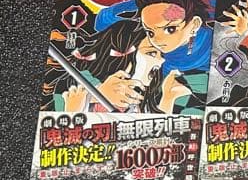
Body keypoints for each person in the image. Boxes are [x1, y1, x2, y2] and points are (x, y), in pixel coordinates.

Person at [94, 0, 215, 110]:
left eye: (170, 29)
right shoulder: (146, 42)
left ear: (195, 24)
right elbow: (103, 20)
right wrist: (134, 3)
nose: (157, 41)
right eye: (150, 32)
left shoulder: (211, 43)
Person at [46, 19, 191, 113]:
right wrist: (96, 95)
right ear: (123, 52)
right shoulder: (80, 79)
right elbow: (61, 104)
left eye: (161, 54)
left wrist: (168, 98)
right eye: (152, 53)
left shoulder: (146, 96)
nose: (161, 61)